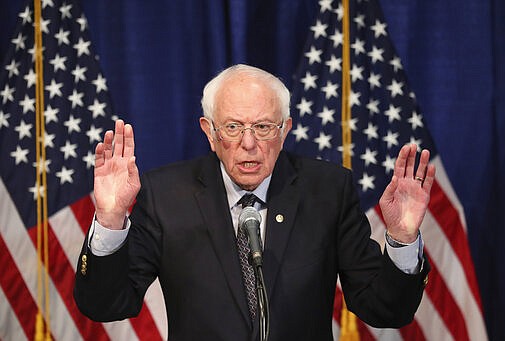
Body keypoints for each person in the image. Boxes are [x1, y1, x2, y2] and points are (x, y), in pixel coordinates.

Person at [74, 64, 435, 341]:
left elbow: (385, 309)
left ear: (285, 130)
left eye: (263, 127)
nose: (249, 143)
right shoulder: (167, 195)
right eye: (233, 127)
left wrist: (402, 237)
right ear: (209, 132)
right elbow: (106, 305)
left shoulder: (326, 191)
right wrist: (108, 219)